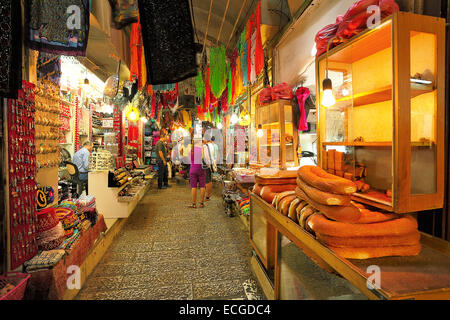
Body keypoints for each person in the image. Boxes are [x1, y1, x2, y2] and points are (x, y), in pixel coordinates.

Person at [188, 137, 205, 208]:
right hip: (201, 168)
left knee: (193, 186)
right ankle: (201, 203)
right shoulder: (202, 149)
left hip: (193, 169)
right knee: (202, 186)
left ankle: (194, 204)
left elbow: (189, 158)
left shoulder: (191, 149)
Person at [203, 136, 218, 201]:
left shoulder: (206, 146)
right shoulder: (211, 145)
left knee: (207, 180)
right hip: (210, 164)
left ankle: (207, 195)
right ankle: (208, 195)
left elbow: (206, 157)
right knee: (209, 180)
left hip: (207, 165)